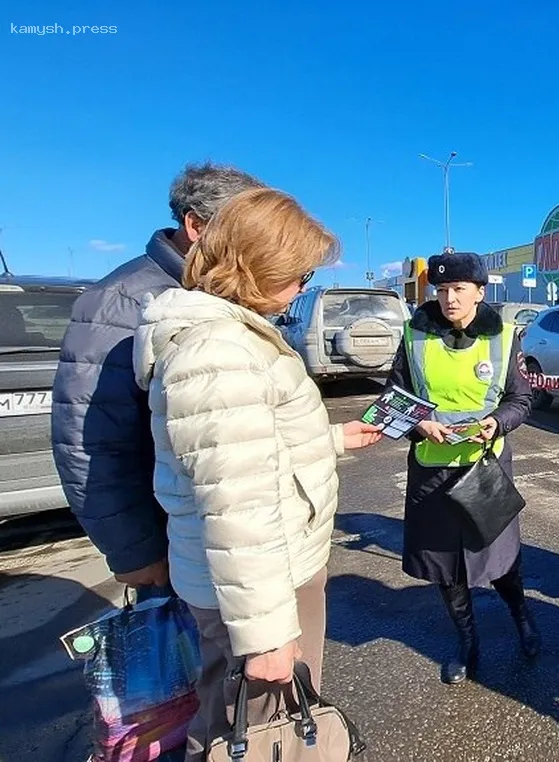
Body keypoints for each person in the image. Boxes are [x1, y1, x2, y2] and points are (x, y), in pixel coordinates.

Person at [132, 187, 383, 759]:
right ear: (256, 266)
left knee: (254, 722)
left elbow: (248, 450)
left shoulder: (228, 339)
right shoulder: (219, 351)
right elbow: (236, 503)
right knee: (257, 733)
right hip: (257, 593)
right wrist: (265, 634)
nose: (300, 288)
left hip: (259, 581)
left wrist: (331, 439)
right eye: (298, 275)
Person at [52, 161, 265, 595]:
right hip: (172, 537)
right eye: (243, 232)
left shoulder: (219, 292)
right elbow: (90, 443)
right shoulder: (120, 304)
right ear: (196, 226)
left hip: (227, 529)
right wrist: (134, 550)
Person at [386, 250, 537, 685]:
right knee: (445, 564)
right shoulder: (414, 335)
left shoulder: (504, 336)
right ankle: (467, 642)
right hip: (431, 470)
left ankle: (522, 617)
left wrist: (497, 422)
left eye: (459, 289)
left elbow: (521, 399)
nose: (449, 298)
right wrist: (420, 425)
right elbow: (393, 397)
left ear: (479, 292)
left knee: (501, 558)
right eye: (442, 290)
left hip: (485, 470)